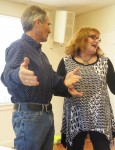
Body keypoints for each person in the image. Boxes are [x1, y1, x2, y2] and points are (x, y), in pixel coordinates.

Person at [1, 5, 83, 150]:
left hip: (45, 116)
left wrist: (65, 82)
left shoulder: (41, 55)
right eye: (48, 24)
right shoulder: (19, 46)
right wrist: (18, 75)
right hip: (29, 116)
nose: (50, 30)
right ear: (37, 22)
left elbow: (53, 81)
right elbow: (6, 76)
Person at [56, 27, 115, 150]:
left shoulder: (105, 62)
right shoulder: (66, 62)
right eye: (93, 37)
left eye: (98, 38)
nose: (97, 41)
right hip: (75, 115)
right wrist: (66, 88)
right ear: (80, 39)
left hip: (100, 115)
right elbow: (57, 89)